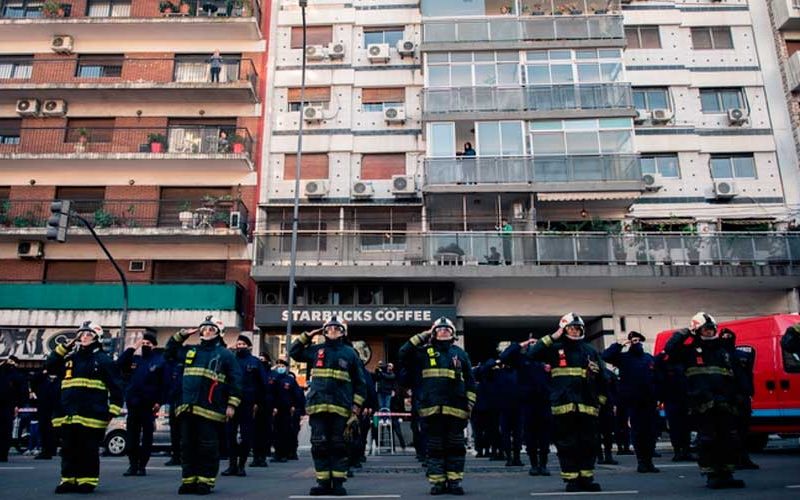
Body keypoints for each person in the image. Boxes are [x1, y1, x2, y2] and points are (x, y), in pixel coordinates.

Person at [523, 313, 604, 492]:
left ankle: (587, 478)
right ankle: (571, 479)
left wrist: (600, 396)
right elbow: (531, 354)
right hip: (563, 405)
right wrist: (553, 336)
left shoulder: (590, 351)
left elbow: (604, 378)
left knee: (588, 443)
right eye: (571, 328)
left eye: (577, 328)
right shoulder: (555, 348)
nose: (575, 331)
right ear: (564, 329)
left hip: (587, 406)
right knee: (567, 444)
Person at [663, 312, 746, 489]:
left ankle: (727, 474)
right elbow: (670, 350)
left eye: (711, 329)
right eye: (705, 329)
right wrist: (683, 333)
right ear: (697, 330)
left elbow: (736, 374)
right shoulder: (689, 351)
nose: (709, 332)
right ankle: (712, 474)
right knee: (708, 439)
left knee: (729, 438)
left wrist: (739, 395)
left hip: (725, 402)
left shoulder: (723, 350)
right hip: (701, 404)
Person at [165, 315, 243, 495]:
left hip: (210, 409)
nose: (206, 332)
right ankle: (188, 481)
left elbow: (236, 381)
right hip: (187, 408)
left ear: (219, 333)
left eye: (211, 329)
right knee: (187, 446)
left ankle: (205, 482)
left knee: (207, 447)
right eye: (204, 328)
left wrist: (231, 405)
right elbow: (169, 353)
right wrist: (181, 335)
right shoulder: (192, 351)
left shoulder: (225, 355)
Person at [289, 316, 367, 496]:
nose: (333, 331)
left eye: (337, 329)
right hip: (318, 406)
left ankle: (338, 482)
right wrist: (308, 336)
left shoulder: (350, 353)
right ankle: (323, 482)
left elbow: (360, 383)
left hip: (341, 408)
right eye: (329, 329)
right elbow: (294, 352)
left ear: (343, 332)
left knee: (339, 445)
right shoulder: (316, 350)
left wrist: (356, 406)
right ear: (324, 332)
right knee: (319, 444)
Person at [399, 317, 475, 496]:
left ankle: (454, 481)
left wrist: (470, 404)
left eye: (446, 329)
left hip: (456, 410)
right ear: (433, 333)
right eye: (439, 329)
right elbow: (403, 353)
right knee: (434, 448)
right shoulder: (423, 353)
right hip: (430, 409)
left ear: (453, 334)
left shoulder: (460, 354)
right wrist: (425, 334)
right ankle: (438, 483)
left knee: (456, 447)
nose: (443, 332)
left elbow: (471, 382)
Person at [47, 321, 124, 494]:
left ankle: (87, 481)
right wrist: (64, 348)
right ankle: (68, 479)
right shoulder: (69, 359)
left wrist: (112, 410)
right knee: (68, 449)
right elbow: (50, 365)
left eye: (88, 334)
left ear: (96, 337)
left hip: (92, 414)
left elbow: (117, 387)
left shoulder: (103, 360)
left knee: (88, 449)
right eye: (81, 334)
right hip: (68, 414)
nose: (84, 337)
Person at [601, 331, 659, 473]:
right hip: (633, 400)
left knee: (651, 432)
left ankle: (649, 460)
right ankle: (641, 461)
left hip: (649, 400)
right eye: (633, 340)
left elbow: (657, 377)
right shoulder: (624, 358)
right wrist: (620, 344)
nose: (636, 342)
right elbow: (606, 356)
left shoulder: (649, 358)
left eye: (638, 340)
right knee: (638, 431)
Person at [500, 338, 553, 476]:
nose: (534, 347)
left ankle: (543, 464)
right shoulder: (522, 360)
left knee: (544, 436)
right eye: (532, 344)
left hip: (545, 402)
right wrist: (521, 343)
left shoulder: (547, 359)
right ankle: (534, 465)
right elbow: (504, 356)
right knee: (530, 435)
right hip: (527, 403)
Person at [117, 332, 165, 477]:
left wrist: (159, 401)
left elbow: (163, 384)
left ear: (154, 346)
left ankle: (142, 466)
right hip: (133, 405)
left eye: (148, 344)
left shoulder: (159, 361)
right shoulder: (135, 359)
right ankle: (132, 465)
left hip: (148, 406)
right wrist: (132, 348)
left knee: (147, 438)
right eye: (143, 344)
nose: (145, 346)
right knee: (132, 437)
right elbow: (119, 364)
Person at [222, 335, 268, 477]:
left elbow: (263, 384)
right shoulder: (230, 360)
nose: (240, 346)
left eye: (243, 344)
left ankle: (242, 465)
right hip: (231, 403)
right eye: (238, 344)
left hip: (248, 403)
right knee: (230, 435)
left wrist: (258, 403)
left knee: (246, 435)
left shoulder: (255, 363)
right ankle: (232, 465)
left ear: (248, 346)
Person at [719, 328, 759, 470]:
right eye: (724, 336)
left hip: (742, 397)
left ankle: (743, 458)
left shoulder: (742, 355)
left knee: (743, 430)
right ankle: (733, 459)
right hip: (727, 398)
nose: (727, 338)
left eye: (729, 336)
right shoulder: (718, 356)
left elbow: (748, 374)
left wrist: (749, 392)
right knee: (730, 431)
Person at [654, 350, 693, 461]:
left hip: (685, 399)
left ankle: (686, 451)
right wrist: (664, 352)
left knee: (686, 428)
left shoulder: (683, 363)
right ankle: (677, 451)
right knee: (674, 428)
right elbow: (656, 363)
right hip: (670, 400)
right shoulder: (665, 364)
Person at [270, 358, 300, 463]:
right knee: (275, 432)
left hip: (286, 409)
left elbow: (296, 394)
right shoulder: (273, 379)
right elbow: (270, 393)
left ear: (286, 368)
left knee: (285, 431)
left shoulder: (290, 380)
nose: (281, 368)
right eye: (278, 367)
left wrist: (294, 406)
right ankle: (277, 453)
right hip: (275, 409)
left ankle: (285, 454)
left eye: (282, 366)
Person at [0, 355, 26, 462]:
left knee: (5, 430)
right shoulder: (8, 373)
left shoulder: (15, 374)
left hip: (8, 405)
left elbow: (22, 391)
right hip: (8, 405)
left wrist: (18, 405)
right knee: (5, 429)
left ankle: (3, 454)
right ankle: (2, 454)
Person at [250, 354, 275, 467]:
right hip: (255, 406)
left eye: (263, 360)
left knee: (265, 432)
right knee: (254, 432)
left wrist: (275, 406)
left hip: (268, 406)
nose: (261, 362)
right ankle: (255, 457)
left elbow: (277, 393)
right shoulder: (254, 374)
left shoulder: (272, 375)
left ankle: (263, 457)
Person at [34, 367, 61, 460]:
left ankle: (52, 449)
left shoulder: (60, 380)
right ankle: (46, 451)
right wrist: (43, 372)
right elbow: (34, 379)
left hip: (56, 410)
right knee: (44, 430)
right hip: (44, 409)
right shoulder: (43, 380)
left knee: (55, 431)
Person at [163, 351, 184, 466]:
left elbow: (179, 384)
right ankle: (175, 456)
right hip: (173, 402)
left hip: (181, 401)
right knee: (174, 431)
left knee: (182, 431)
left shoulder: (180, 365)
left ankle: (182, 456)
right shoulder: (168, 364)